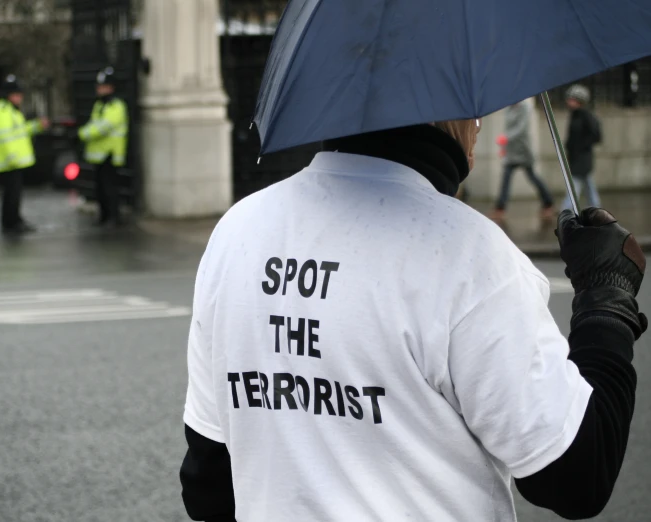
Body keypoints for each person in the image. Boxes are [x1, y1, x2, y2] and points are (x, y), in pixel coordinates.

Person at [179, 116, 646, 521]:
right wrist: (607, 303)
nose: (479, 129)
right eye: (475, 114)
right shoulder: (469, 252)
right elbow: (575, 476)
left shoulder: (237, 233)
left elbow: (208, 484)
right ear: (445, 112)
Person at [0, 74, 49, 235]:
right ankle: (11, 223)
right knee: (11, 194)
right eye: (17, 94)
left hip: (12, 161)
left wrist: (37, 126)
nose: (20, 97)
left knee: (13, 194)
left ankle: (13, 221)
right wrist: (13, 158)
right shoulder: (2, 111)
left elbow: (20, 131)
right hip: (10, 162)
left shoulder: (10, 111)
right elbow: (5, 137)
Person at [78, 66, 129, 227]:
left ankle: (113, 217)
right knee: (101, 188)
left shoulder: (116, 106)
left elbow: (103, 127)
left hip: (111, 154)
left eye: (103, 86)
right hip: (99, 154)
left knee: (110, 188)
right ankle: (105, 216)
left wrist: (82, 133)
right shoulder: (100, 105)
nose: (100, 89)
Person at [491, 99, 555, 222]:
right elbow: (508, 127)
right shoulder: (509, 107)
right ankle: (500, 208)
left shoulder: (525, 107)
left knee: (533, 177)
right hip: (511, 151)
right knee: (506, 179)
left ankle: (548, 203)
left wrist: (505, 138)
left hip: (523, 150)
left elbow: (521, 128)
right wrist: (504, 148)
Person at [561, 84, 603, 211]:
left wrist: (580, 147)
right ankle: (595, 208)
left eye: (571, 99)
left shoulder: (586, 116)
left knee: (574, 186)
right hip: (576, 157)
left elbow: (596, 136)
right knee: (588, 185)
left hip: (582, 157)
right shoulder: (574, 115)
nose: (568, 102)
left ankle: (567, 209)